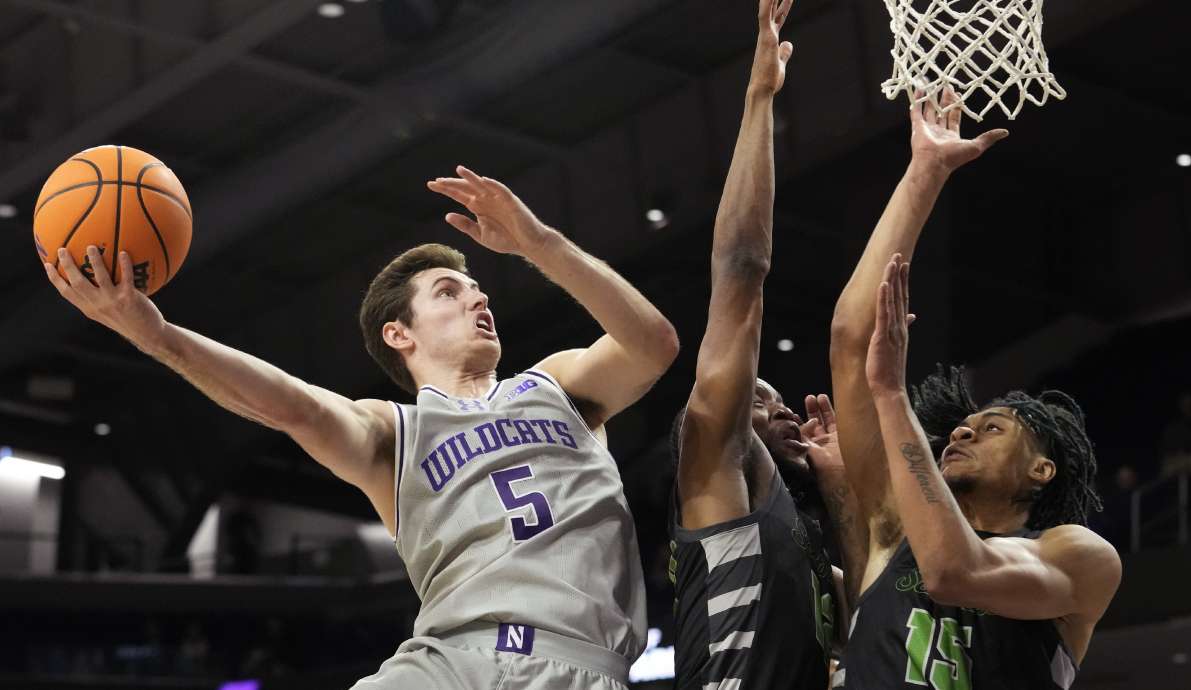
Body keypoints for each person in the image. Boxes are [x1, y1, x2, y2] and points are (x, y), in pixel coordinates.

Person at [43, 164, 679, 689]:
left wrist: (538, 241)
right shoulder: (392, 433)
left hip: (576, 665)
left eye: (478, 288)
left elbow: (653, 344)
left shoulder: (559, 386)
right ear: (399, 333)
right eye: (450, 292)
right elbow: (291, 406)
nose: (479, 298)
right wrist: (156, 336)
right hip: (446, 664)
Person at [829, 93, 1121, 688]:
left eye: (993, 428)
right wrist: (925, 173)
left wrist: (891, 395)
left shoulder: (1078, 558)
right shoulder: (892, 526)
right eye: (967, 425)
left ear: (1042, 471)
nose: (963, 429)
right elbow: (851, 340)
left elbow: (953, 572)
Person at [666, 2, 857, 688]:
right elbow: (742, 272)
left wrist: (838, 487)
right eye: (758, 400)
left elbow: (879, 625)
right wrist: (758, 100)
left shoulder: (806, 552)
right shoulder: (715, 462)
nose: (781, 410)